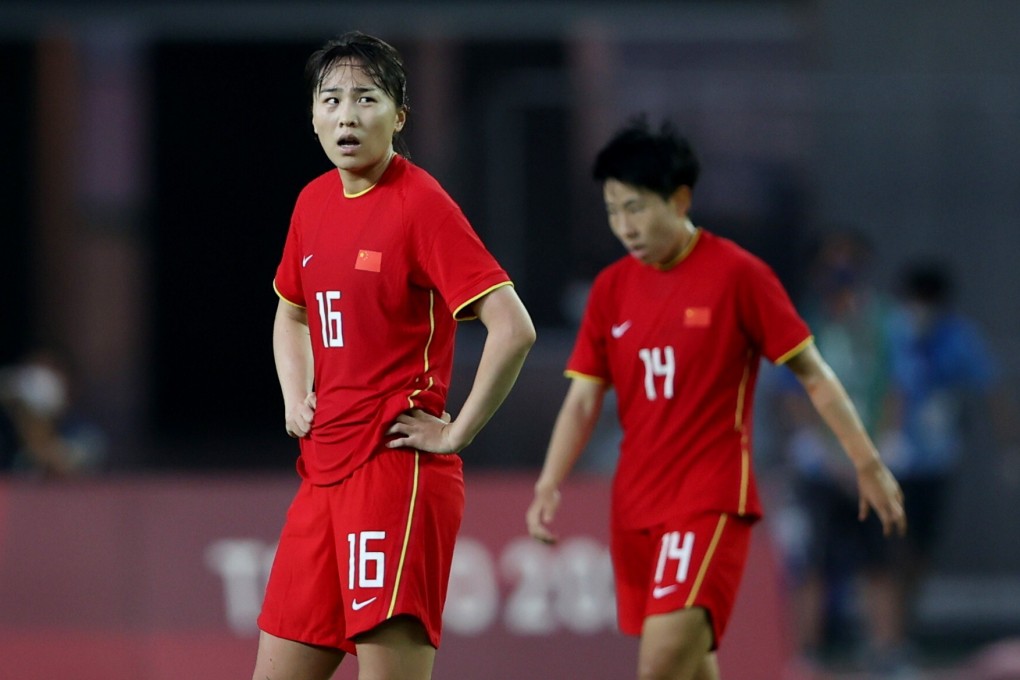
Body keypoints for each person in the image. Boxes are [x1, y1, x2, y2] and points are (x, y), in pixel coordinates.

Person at [525, 118, 906, 680]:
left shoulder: (738, 276)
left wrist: (867, 460)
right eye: (612, 210)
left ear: (679, 199)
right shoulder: (610, 289)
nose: (623, 225)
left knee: (659, 661)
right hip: (634, 504)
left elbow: (815, 375)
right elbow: (583, 400)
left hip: (708, 497)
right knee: (691, 664)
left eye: (636, 207)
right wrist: (549, 482)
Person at [253, 32, 536, 680]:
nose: (347, 115)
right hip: (320, 471)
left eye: (366, 98)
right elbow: (291, 311)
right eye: (331, 99)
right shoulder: (312, 202)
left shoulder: (421, 205)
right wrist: (296, 395)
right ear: (314, 116)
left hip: (394, 475)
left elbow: (513, 327)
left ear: (399, 115)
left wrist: (458, 430)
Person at [770, 231, 902, 675]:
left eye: (850, 261)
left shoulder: (884, 323)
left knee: (879, 559)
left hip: (870, 460)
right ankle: (805, 655)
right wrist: (828, 454)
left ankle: (885, 651)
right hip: (820, 467)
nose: (841, 271)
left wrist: (873, 454)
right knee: (810, 562)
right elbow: (792, 395)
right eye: (833, 261)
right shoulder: (804, 320)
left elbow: (894, 391)